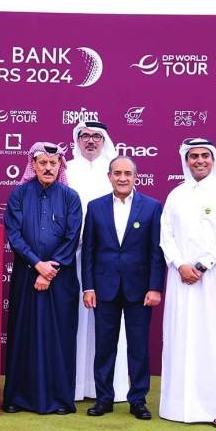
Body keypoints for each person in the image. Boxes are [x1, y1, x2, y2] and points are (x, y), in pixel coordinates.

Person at [159, 138, 216, 427]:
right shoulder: (177, 194)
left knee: (215, 339)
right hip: (180, 277)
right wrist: (181, 264)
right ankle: (179, 407)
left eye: (204, 156)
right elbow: (166, 234)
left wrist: (203, 263)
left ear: (214, 159)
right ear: (186, 161)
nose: (199, 161)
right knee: (181, 337)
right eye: (193, 156)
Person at [2, 142, 82, 415]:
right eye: (42, 163)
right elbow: (14, 234)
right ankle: (17, 397)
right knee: (24, 334)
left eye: (53, 163)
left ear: (60, 166)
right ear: (33, 165)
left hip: (61, 279)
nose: (48, 168)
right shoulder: (19, 194)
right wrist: (37, 264)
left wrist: (50, 270)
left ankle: (60, 399)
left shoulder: (70, 197)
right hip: (27, 275)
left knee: (58, 337)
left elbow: (72, 237)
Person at [81, 156, 164, 420]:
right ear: (109, 176)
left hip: (139, 290)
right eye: (117, 173)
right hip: (104, 288)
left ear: (136, 177)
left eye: (128, 173)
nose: (122, 178)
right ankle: (104, 398)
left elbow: (155, 252)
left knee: (138, 346)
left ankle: (138, 400)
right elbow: (89, 251)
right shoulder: (95, 208)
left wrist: (154, 287)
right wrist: (88, 286)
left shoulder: (152, 207)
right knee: (105, 346)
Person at [67, 119, 130, 403]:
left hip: (109, 262)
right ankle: (75, 386)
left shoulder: (115, 173)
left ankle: (107, 388)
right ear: (77, 141)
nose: (90, 141)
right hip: (73, 257)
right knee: (76, 322)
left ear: (104, 141)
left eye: (96, 137)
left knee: (109, 323)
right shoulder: (66, 169)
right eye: (85, 136)